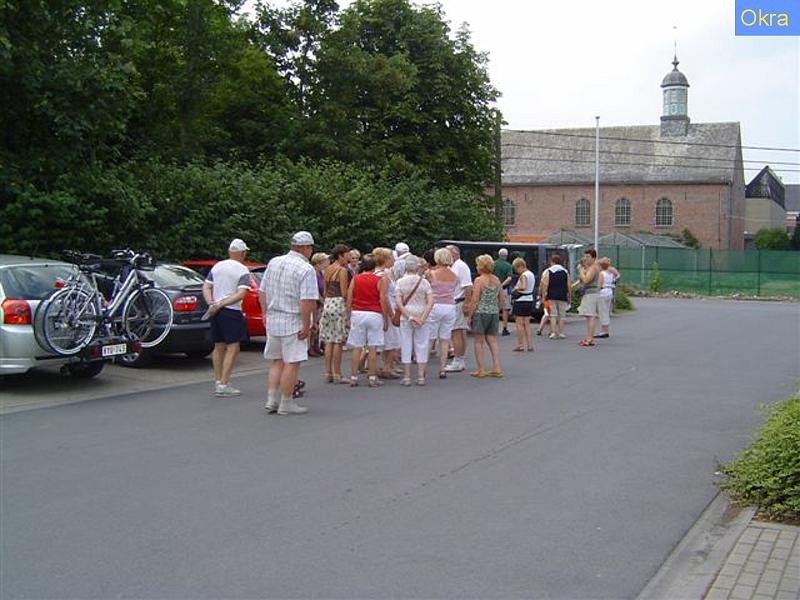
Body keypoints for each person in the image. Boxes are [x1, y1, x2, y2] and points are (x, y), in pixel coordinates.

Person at [259, 231, 319, 415]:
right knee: (292, 362)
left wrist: (264, 313)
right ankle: (286, 402)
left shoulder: (274, 262)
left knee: (277, 361)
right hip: (292, 319)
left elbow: (262, 291)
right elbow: (307, 300)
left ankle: (271, 399)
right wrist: (306, 324)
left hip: (274, 318)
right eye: (310, 247)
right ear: (305, 248)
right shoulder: (305, 269)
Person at [202, 238, 252, 397]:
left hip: (215, 310)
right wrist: (224, 302)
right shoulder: (243, 270)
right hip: (231, 311)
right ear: (242, 253)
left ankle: (218, 381)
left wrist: (211, 302)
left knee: (218, 345)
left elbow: (206, 286)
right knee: (233, 346)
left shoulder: (217, 266)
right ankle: (224, 383)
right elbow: (241, 293)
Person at [346, 254, 390, 387]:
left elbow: (349, 297)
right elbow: (383, 299)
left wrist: (348, 315)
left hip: (358, 313)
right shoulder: (379, 280)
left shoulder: (356, 278)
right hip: (374, 313)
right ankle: (372, 376)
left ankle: (353, 376)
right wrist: (385, 317)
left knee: (357, 346)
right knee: (372, 347)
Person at [395, 255, 434, 386]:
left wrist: (408, 316)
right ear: (417, 267)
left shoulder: (400, 282)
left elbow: (399, 303)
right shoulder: (424, 282)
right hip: (422, 314)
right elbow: (430, 302)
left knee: (406, 344)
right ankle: (420, 376)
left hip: (406, 316)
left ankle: (407, 377)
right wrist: (423, 318)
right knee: (422, 344)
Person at [466, 255, 503, 378]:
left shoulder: (479, 280)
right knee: (492, 340)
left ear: (481, 266)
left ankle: (481, 369)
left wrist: (470, 315)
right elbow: (501, 299)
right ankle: (496, 367)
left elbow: (475, 299)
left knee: (478, 341)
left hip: (481, 312)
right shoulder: (497, 280)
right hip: (493, 312)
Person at [319, 244, 351, 383]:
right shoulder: (342, 271)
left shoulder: (327, 269)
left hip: (328, 303)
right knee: (338, 340)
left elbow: (325, 291)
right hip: (338, 303)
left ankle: (328, 372)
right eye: (347, 255)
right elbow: (344, 292)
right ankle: (338, 373)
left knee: (328, 340)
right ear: (340, 255)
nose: (348, 257)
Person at [427, 248, 458, 378]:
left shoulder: (431, 273)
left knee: (430, 338)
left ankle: (424, 368)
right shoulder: (454, 275)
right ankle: (443, 368)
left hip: (435, 305)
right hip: (449, 306)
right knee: (444, 339)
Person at [373, 247, 401, 379]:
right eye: (391, 258)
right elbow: (384, 297)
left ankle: (388, 366)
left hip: (383, 308)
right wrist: (390, 314)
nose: (393, 260)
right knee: (392, 340)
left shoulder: (378, 274)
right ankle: (388, 367)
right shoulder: (383, 276)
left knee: (388, 339)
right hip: (388, 308)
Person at [444, 245, 473, 372]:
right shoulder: (455, 266)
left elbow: (467, 286)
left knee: (456, 332)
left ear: (454, 253)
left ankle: (458, 359)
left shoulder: (460, 266)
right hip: (457, 301)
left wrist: (467, 303)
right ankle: (460, 359)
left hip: (459, 301)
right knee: (459, 332)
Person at [539, 254, 571, 339]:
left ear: (552, 262)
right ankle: (561, 332)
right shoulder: (565, 271)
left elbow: (545, 283)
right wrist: (569, 296)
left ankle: (553, 332)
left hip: (551, 295)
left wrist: (543, 295)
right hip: (562, 295)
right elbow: (568, 285)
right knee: (562, 315)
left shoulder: (548, 271)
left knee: (553, 315)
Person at [576, 248, 601, 347]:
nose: (586, 258)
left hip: (591, 293)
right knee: (588, 316)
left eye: (588, 257)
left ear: (593, 258)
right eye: (585, 256)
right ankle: (588, 337)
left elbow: (586, 280)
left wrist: (581, 271)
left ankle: (590, 339)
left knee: (590, 316)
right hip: (588, 293)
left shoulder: (594, 268)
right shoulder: (590, 267)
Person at [510, 257, 535, 352]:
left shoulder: (524, 275)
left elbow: (523, 287)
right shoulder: (531, 274)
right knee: (527, 324)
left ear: (520, 266)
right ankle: (530, 345)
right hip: (529, 300)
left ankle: (520, 344)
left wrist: (516, 289)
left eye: (516, 269)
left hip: (521, 300)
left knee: (519, 324)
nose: (517, 271)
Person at [308, 252, 330, 357]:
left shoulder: (321, 273)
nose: (328, 262)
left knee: (319, 324)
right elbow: (313, 289)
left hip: (320, 302)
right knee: (314, 324)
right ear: (319, 262)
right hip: (315, 302)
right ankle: (311, 346)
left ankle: (316, 345)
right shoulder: (312, 273)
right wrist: (321, 300)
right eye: (326, 260)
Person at [596, 257, 620, 339]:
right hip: (609, 291)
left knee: (602, 312)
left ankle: (603, 331)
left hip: (603, 292)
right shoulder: (610, 274)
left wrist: (596, 293)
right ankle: (606, 330)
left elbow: (599, 285)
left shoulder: (601, 274)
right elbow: (616, 277)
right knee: (606, 311)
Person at [493, 248, 514, 336]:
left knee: (495, 308)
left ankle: (494, 327)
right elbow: (509, 278)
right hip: (504, 290)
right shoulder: (508, 265)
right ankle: (504, 328)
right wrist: (501, 285)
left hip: (493, 289)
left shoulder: (493, 264)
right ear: (506, 255)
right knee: (505, 309)